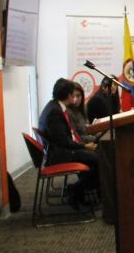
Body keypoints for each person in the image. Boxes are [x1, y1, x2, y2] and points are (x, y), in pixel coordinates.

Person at [38, 78, 99, 208]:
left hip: (62, 150)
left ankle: (80, 191)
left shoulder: (55, 106)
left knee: (97, 157)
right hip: (60, 155)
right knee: (100, 160)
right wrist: (84, 146)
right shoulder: (54, 112)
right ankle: (76, 189)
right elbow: (63, 142)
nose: (75, 98)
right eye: (73, 94)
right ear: (68, 96)